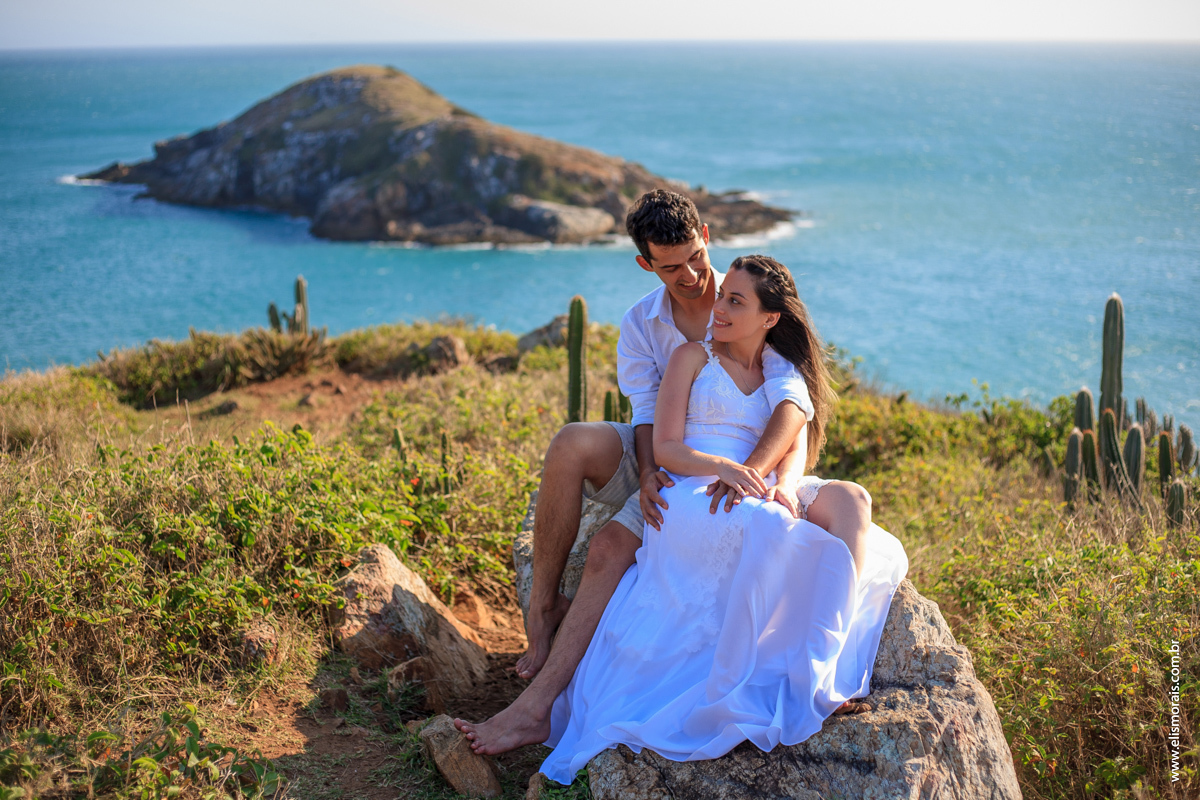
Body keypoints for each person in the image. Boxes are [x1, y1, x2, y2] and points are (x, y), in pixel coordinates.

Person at [453, 190, 875, 754]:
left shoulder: (749, 293)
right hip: (672, 450)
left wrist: (773, 479)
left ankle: (828, 667)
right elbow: (650, 416)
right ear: (645, 264)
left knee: (846, 501)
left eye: (695, 259)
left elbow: (794, 409)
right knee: (575, 456)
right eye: (670, 267)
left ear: (705, 235)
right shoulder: (644, 324)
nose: (692, 277)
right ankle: (543, 612)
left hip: (742, 462)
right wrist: (651, 473)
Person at [537, 255, 908, 783]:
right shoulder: (692, 357)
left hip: (758, 480)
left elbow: (794, 449)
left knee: (854, 500)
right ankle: (779, 667)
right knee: (766, 526)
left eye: (737, 300)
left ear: (770, 318)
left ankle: (822, 667)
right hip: (695, 484)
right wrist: (725, 469)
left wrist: (784, 487)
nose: (721, 306)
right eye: (724, 295)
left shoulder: (784, 372)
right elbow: (665, 448)